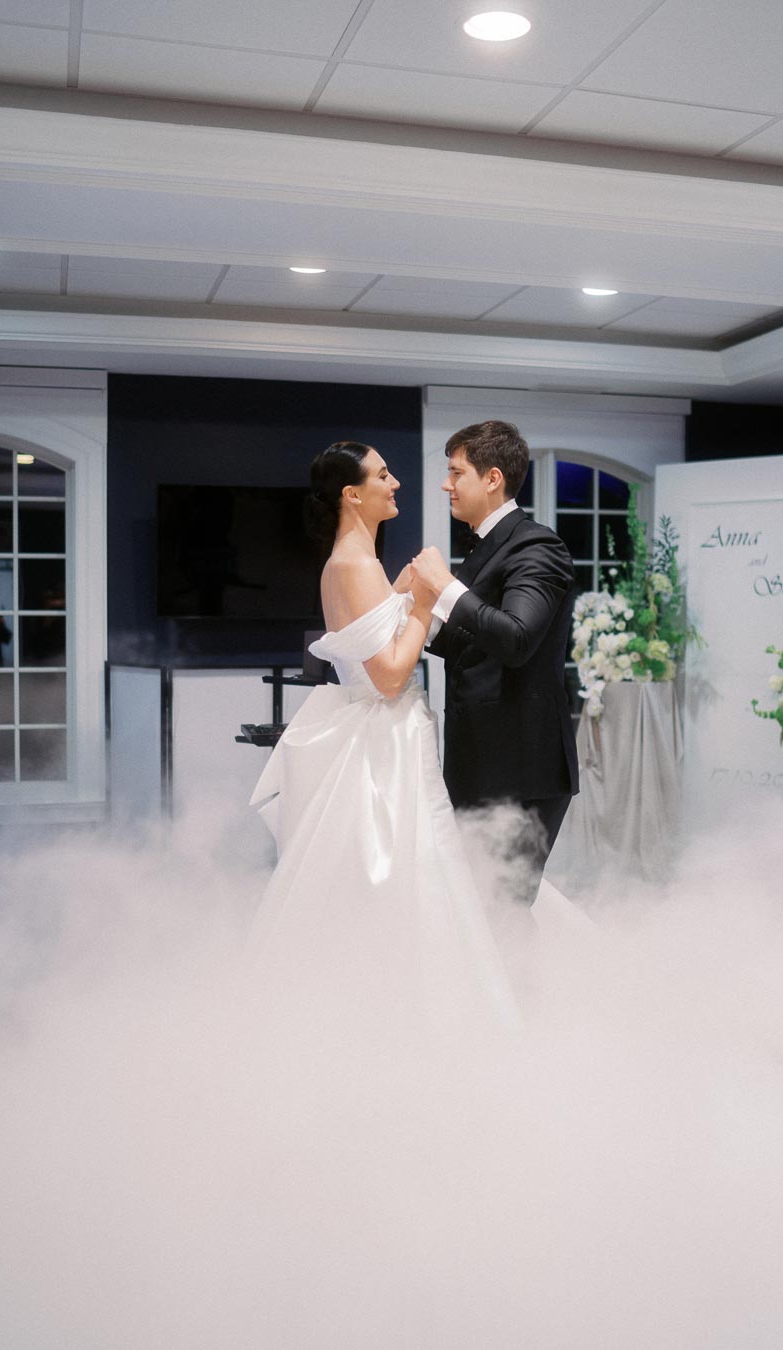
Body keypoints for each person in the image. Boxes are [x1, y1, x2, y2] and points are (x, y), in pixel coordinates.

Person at [247, 440, 519, 1031]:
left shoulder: (349, 563)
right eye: (383, 475)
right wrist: (424, 601)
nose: (395, 484)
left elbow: (366, 634)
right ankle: (412, 1013)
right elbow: (391, 676)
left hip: (375, 731)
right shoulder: (357, 564)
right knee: (406, 870)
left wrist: (400, 595)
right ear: (352, 494)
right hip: (385, 739)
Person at [411, 421, 578, 908]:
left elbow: (516, 638)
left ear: (492, 478)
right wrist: (411, 616)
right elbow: (474, 643)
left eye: (455, 472)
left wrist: (444, 586)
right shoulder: (488, 544)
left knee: (504, 915)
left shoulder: (537, 546)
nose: (446, 484)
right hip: (482, 763)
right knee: (477, 912)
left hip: (519, 769)